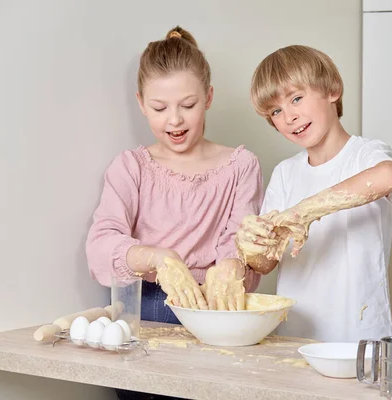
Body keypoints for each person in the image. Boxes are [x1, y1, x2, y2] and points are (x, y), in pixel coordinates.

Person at [86, 26, 263, 326]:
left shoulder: (241, 166)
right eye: (159, 107)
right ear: (141, 103)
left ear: (208, 97)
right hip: (146, 304)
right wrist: (158, 259)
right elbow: (100, 248)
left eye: (188, 105)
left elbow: (240, 242)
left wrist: (232, 266)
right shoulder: (131, 167)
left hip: (216, 303)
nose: (175, 119)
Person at [235, 45, 392, 342]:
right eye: (276, 111)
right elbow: (266, 264)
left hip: (360, 333)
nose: (289, 116)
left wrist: (304, 211)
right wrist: (252, 246)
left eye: (296, 99)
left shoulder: (365, 154)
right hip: (295, 335)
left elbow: (389, 177)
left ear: (332, 90)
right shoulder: (285, 173)